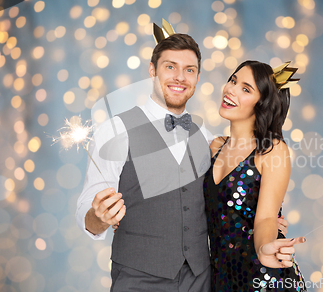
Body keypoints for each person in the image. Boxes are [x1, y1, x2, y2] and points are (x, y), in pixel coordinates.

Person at [76, 21, 289, 292]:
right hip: (137, 280)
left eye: (189, 70)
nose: (180, 77)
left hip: (202, 280)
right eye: (170, 67)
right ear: (152, 70)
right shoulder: (115, 130)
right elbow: (88, 205)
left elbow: (239, 193)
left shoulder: (210, 140)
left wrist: (269, 227)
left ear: (198, 78)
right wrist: (98, 218)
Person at [204, 60, 307, 291]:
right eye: (233, 80)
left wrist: (264, 248)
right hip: (221, 280)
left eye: (246, 88)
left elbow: (266, 219)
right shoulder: (214, 147)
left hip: (264, 279)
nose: (231, 89)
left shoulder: (272, 149)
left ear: (261, 103)